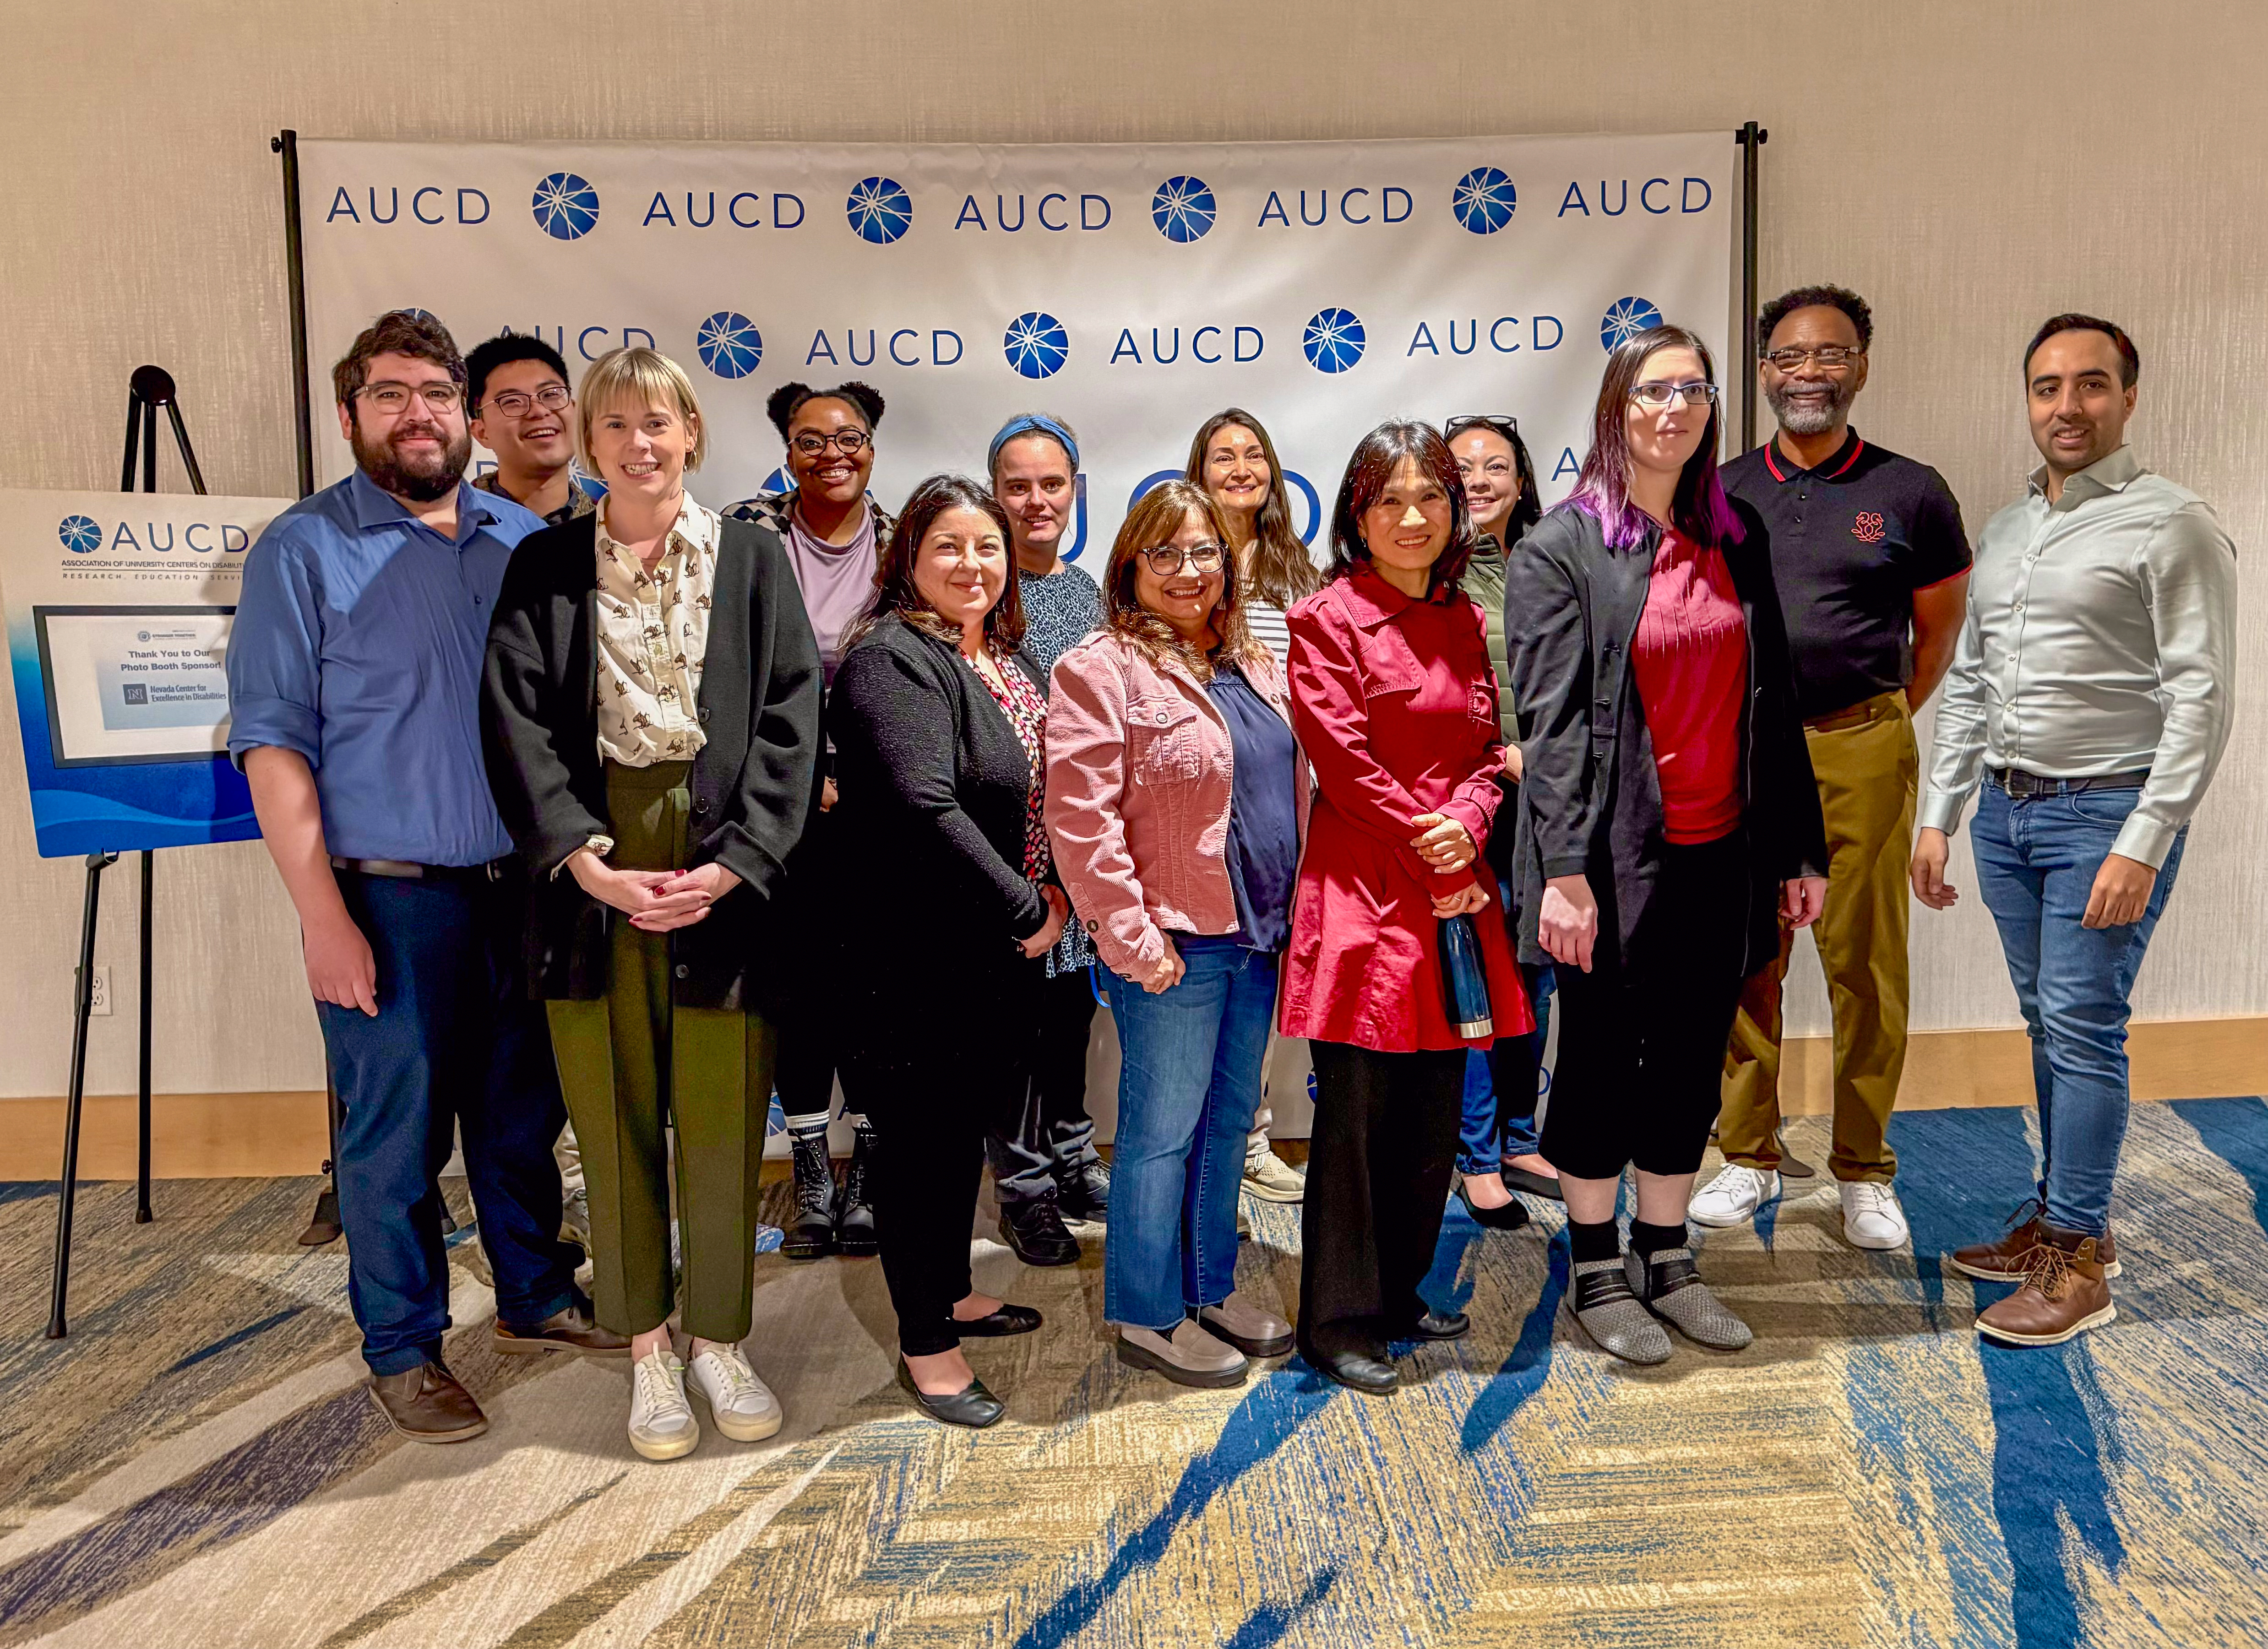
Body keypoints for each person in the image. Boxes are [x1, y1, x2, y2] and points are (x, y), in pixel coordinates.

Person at [227, 309, 617, 1447]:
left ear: (468, 411)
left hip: (524, 889)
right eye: (391, 394)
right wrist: (320, 919)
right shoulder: (301, 550)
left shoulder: (520, 541)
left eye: (437, 393)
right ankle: (403, 1345)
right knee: (393, 1140)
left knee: (519, 1115)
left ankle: (537, 1296)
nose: (418, 414)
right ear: (351, 414)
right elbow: (273, 746)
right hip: (386, 899)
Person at [484, 346, 821, 1460]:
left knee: (724, 1106)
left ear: (691, 433)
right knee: (616, 1110)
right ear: (589, 443)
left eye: (659, 421)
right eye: (615, 423)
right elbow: (518, 720)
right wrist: (584, 859)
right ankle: (646, 1346)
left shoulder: (755, 560)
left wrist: (737, 861)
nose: (639, 442)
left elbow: (788, 713)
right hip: (595, 860)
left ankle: (720, 1333)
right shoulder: (541, 564)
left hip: (724, 851)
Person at [1505, 324, 1827, 1367]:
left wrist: (1796, 849)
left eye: (1691, 389)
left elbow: (1772, 702)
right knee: (1601, 1061)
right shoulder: (1562, 547)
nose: (1674, 408)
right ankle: (1595, 1262)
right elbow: (1549, 729)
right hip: (1605, 863)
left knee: (1691, 1062)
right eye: (1652, 390)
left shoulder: (1735, 535)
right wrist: (1559, 873)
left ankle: (1665, 1250)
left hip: (1718, 854)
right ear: (1615, 408)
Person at [1914, 314, 2235, 1346]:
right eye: (2047, 387)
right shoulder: (2007, 529)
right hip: (2006, 814)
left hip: (2106, 808)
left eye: (2090, 386)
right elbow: (1965, 681)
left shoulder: (2170, 523)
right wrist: (1939, 813)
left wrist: (2145, 838)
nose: (2066, 406)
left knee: (2084, 1020)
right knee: (2046, 1018)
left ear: (2128, 398)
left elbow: (2201, 698)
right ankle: (2058, 1218)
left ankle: (2080, 1261)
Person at [1690, 286, 1973, 1252]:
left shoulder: (1911, 491)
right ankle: (1748, 1156)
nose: (1807, 373)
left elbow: (1931, 642)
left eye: (1829, 355)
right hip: (1744, 752)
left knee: (1863, 964)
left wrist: (1869, 726)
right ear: (1763, 371)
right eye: (1788, 358)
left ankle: (1862, 1167)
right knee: (1747, 960)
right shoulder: (1719, 491)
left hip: (1860, 744)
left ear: (1860, 364)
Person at [1279, 421, 1534, 1394]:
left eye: (1430, 496)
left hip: (1451, 887)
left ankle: (1395, 1291)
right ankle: (1336, 1318)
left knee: (1431, 1112)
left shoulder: (1465, 619)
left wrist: (1467, 821)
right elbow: (1344, 765)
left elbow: (1483, 752)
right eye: (1390, 499)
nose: (1414, 516)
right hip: (1365, 893)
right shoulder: (1324, 618)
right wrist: (1435, 839)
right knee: (1354, 1122)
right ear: (1357, 513)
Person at [1046, 478, 1308, 1387]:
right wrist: (1130, 939)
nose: (1187, 571)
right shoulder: (1101, 666)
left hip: (1257, 933)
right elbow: (1081, 823)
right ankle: (1148, 1314)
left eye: (1204, 552)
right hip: (1173, 941)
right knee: (1159, 1133)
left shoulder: (1251, 662)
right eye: (1165, 553)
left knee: (1227, 1124)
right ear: (1131, 566)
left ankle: (1208, 1286)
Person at [828, 475, 1064, 1427]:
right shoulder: (891, 657)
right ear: (909, 560)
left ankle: (952, 1290)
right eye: (950, 547)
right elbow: (927, 807)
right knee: (919, 1152)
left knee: (956, 1136)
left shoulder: (998, 656)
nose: (973, 565)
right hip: (911, 955)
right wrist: (1024, 908)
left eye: (988, 547)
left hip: (981, 955)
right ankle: (927, 1344)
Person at [725, 380, 895, 1259]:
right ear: (785, 449)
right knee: (793, 994)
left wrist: (852, 773)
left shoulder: (905, 541)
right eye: (810, 439)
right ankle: (809, 1168)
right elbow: (726, 670)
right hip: (775, 807)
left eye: (850, 437)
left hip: (876, 809)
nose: (832, 453)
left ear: (873, 445)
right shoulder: (744, 531)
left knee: (870, 992)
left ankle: (865, 1165)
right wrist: (797, 778)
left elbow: (920, 677)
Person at [1184, 407, 1319, 1206]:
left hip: (1280, 795)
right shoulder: (1179, 561)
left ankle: (1251, 1135)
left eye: (1252, 455)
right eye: (1221, 455)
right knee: (1206, 973)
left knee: (1260, 969)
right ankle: (1208, 1152)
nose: (1239, 467)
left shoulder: (1296, 569)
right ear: (1197, 470)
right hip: (1199, 797)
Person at [986, 412, 1110, 1265]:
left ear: (1073, 491)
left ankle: (1071, 1155)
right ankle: (1022, 1187)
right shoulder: (975, 589)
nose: (1035, 501)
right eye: (1017, 485)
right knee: (1013, 1031)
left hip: (1081, 845)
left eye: (1050, 484)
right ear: (995, 493)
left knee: (1067, 1020)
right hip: (1002, 851)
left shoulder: (1091, 594)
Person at [1445, 413, 1557, 1218]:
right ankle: (1475, 1152)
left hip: (1554, 801)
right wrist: (1503, 756)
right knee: (1480, 975)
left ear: (1521, 480)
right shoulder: (1437, 570)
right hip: (1481, 797)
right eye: (1463, 468)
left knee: (1537, 970)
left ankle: (1521, 1136)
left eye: (1495, 466)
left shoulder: (1554, 557)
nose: (1480, 480)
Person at [466, 332, 598, 528]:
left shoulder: (615, 532)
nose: (539, 411)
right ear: (481, 432)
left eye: (552, 394)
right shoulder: (453, 529)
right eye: (512, 402)